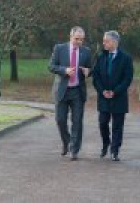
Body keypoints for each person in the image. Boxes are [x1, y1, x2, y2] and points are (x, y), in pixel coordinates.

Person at [49, 26, 91, 161]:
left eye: (81, 40)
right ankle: (67, 142)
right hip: (62, 90)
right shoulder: (59, 49)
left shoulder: (86, 51)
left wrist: (88, 71)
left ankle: (74, 149)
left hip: (78, 91)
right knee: (60, 120)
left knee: (77, 121)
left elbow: (91, 68)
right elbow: (51, 66)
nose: (79, 42)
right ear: (70, 37)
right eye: (77, 39)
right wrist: (64, 70)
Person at [93, 31, 133, 161]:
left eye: (106, 41)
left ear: (115, 42)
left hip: (119, 97)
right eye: (104, 41)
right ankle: (106, 144)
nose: (104, 43)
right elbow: (96, 77)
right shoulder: (100, 56)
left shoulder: (126, 58)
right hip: (103, 96)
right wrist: (102, 91)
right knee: (102, 122)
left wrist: (115, 92)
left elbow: (127, 79)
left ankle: (115, 150)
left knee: (117, 125)